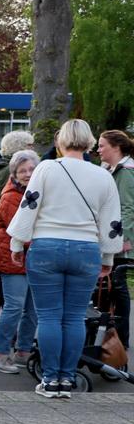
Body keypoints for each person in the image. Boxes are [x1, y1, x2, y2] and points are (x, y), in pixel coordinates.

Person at [8, 119, 122, 398]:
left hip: (46, 247)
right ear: (89, 141)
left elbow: (29, 205)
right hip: (86, 250)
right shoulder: (103, 176)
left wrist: (17, 242)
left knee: (48, 316)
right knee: (74, 318)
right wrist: (107, 256)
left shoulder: (46, 168)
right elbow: (111, 220)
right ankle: (67, 379)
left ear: (61, 141)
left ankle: (50, 380)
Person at [0, 130, 35, 346]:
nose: (33, 148)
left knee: (1, 286)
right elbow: (11, 211)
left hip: (0, 235)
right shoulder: (7, 175)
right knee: (5, 291)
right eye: (29, 145)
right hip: (7, 239)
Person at [0, 150, 40, 374]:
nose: (27, 174)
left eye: (31, 169)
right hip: (13, 258)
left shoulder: (35, 192)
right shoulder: (11, 196)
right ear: (14, 174)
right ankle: (1, 355)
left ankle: (23, 351)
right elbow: (20, 232)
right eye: (22, 171)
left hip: (32, 258)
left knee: (32, 309)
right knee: (14, 307)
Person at [97, 130, 134, 348]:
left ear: (116, 147)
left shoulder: (126, 171)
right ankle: (109, 335)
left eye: (102, 145)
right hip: (111, 235)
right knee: (110, 286)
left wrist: (121, 239)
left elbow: (128, 208)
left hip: (119, 239)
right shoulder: (109, 169)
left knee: (118, 287)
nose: (98, 149)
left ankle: (121, 338)